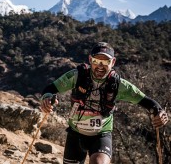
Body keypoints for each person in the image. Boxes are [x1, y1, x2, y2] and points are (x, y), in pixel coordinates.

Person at [40, 42, 169, 164]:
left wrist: (159, 111)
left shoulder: (118, 84)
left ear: (113, 62)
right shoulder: (77, 76)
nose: (100, 65)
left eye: (105, 61)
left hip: (101, 136)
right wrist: (47, 98)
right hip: (75, 134)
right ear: (90, 60)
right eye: (96, 61)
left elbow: (146, 101)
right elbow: (51, 89)